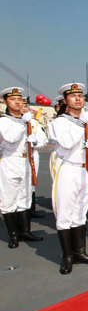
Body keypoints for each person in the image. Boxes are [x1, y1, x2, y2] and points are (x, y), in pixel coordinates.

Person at [49, 83, 88, 274]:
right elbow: (67, 142)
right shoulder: (59, 122)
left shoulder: (86, 122)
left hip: (84, 170)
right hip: (68, 170)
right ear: (65, 101)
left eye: (80, 95)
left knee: (80, 213)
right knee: (65, 214)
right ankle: (67, 256)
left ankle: (80, 252)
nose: (78, 98)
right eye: (73, 96)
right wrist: (82, 126)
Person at [0, 87, 46, 248]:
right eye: (13, 99)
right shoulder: (4, 121)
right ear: (5, 102)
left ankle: (25, 231)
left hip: (27, 161)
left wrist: (35, 141)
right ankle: (13, 235)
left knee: (24, 197)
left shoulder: (29, 121)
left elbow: (42, 139)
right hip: (10, 161)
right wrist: (23, 123)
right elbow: (11, 137)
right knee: (9, 199)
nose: (18, 102)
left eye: (20, 99)